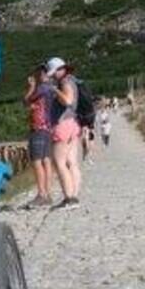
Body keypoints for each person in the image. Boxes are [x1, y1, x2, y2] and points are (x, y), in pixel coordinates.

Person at [44, 56, 82, 208]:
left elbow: (68, 100)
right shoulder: (73, 80)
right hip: (73, 123)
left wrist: (55, 90)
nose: (53, 76)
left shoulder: (64, 82)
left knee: (60, 163)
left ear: (60, 70)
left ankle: (69, 197)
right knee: (72, 162)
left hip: (63, 125)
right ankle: (74, 195)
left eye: (54, 73)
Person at [22, 64, 56, 208]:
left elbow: (26, 100)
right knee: (46, 160)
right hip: (48, 127)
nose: (39, 75)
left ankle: (41, 194)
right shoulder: (51, 88)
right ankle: (47, 194)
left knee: (37, 162)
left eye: (41, 72)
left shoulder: (42, 88)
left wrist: (31, 86)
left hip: (38, 127)